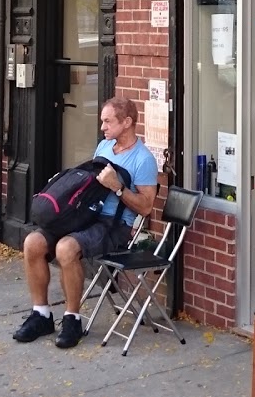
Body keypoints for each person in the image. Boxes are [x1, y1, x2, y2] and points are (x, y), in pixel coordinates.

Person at [13, 94, 159, 350]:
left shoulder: (143, 159)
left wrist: (118, 188)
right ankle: (41, 314)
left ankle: (72, 319)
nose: (102, 127)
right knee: (33, 243)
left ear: (126, 122)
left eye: (107, 122)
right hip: (85, 214)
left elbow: (146, 207)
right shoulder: (104, 147)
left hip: (114, 226)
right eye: (102, 122)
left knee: (66, 248)